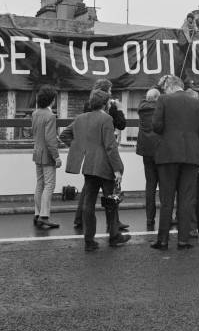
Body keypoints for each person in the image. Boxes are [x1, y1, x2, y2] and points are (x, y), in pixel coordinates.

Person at [60, 89, 129, 251]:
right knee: (110, 202)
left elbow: (64, 135)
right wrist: (118, 169)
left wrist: (81, 150)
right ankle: (114, 236)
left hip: (89, 166)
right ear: (105, 104)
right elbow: (110, 147)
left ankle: (89, 240)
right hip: (105, 166)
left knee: (88, 204)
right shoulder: (106, 119)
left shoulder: (80, 118)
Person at [151, 75, 199, 250]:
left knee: (167, 200)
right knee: (186, 199)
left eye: (164, 88)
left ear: (169, 86)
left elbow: (156, 126)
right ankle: (183, 240)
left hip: (168, 155)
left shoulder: (164, 100)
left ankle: (163, 240)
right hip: (191, 156)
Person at [73, 79, 127, 231]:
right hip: (105, 158)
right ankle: (113, 226)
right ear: (105, 93)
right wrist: (120, 109)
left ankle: (80, 219)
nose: (111, 92)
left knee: (88, 192)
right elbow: (121, 125)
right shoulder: (108, 113)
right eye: (110, 90)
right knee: (110, 193)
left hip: (90, 155)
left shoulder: (87, 107)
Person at [31, 84, 62, 229]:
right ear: (52, 100)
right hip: (47, 155)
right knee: (50, 185)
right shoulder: (50, 116)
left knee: (40, 184)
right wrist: (56, 157)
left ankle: (37, 214)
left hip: (37, 152)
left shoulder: (35, 113)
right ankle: (44, 216)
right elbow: (50, 140)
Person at [136, 88, 161, 231]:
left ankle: (149, 218)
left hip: (146, 151)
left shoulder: (141, 108)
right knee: (164, 185)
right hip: (160, 150)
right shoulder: (160, 107)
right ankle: (166, 217)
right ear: (158, 98)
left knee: (150, 185)